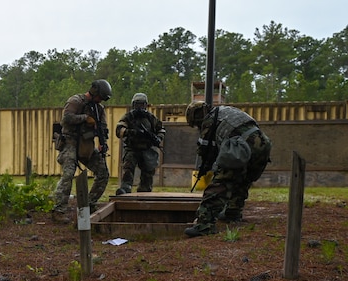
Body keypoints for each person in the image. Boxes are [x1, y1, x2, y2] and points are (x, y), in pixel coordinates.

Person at [184, 101, 272, 237]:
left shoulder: (209, 120)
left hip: (240, 145)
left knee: (220, 184)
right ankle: (233, 213)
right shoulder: (226, 111)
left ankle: (204, 225)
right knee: (243, 180)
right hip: (263, 143)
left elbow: (205, 151)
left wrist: (205, 168)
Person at [52, 79, 112, 223]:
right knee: (68, 174)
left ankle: (89, 204)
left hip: (86, 145)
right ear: (94, 92)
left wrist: (103, 142)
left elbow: (102, 127)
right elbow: (66, 119)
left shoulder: (99, 109)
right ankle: (59, 210)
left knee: (103, 173)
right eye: (100, 97)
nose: (100, 101)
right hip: (70, 142)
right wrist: (85, 118)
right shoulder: (76, 101)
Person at [115, 93, 166, 195]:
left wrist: (158, 138)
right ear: (133, 105)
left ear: (146, 105)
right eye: (137, 104)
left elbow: (161, 129)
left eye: (142, 105)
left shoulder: (151, 118)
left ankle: (145, 191)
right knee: (128, 168)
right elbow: (119, 130)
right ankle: (125, 188)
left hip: (147, 149)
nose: (139, 107)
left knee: (148, 172)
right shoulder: (129, 117)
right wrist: (131, 132)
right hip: (132, 148)